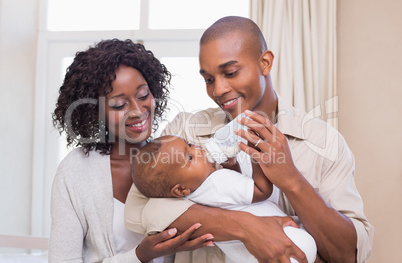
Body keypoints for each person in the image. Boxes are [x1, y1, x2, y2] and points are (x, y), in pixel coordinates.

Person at [124, 16, 374, 263]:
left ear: (265, 63)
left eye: (230, 72)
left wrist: (292, 181)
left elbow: (347, 255)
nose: (218, 90)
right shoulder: (184, 131)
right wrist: (246, 227)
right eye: (208, 79)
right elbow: (140, 213)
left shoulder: (322, 142)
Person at [49, 39, 215, 263]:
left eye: (143, 95)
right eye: (119, 105)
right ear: (95, 112)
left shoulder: (177, 158)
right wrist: (139, 256)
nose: (137, 111)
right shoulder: (75, 172)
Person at [132, 134, 318, 263]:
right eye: (189, 157)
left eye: (189, 144)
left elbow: (233, 198)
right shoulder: (216, 180)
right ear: (180, 189)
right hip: (289, 246)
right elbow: (261, 191)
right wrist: (255, 156)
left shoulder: (190, 200)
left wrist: (233, 166)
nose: (197, 149)